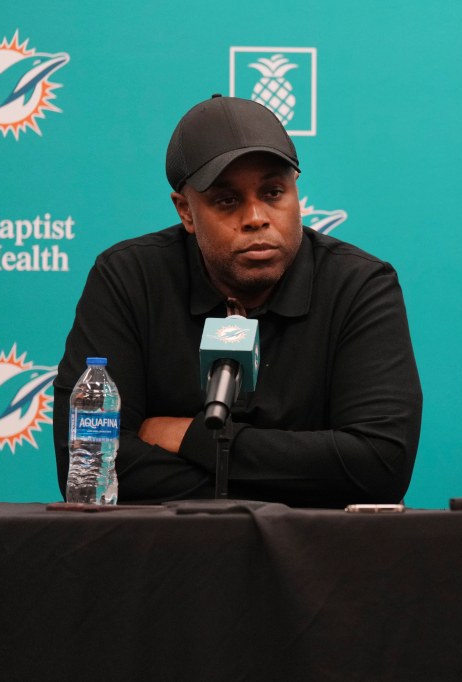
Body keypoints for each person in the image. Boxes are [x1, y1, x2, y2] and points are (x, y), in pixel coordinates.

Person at [53, 95, 422, 507]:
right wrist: (291, 481)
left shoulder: (359, 285)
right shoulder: (127, 279)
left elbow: (380, 466)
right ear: (186, 212)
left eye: (273, 192)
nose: (256, 217)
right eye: (227, 201)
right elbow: (91, 465)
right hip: (164, 558)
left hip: (315, 561)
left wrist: (192, 438)